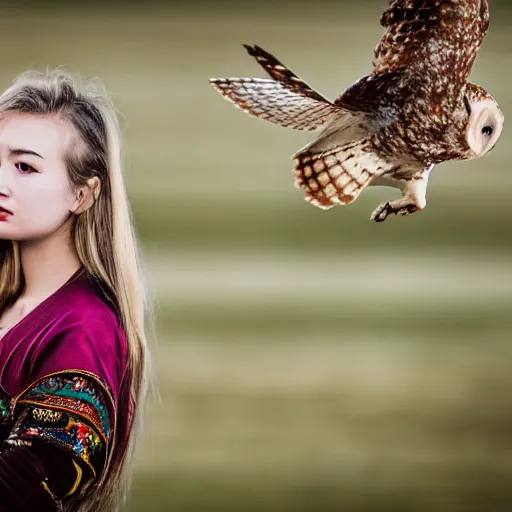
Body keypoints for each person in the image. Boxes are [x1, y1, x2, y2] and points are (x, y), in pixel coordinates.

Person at [0, 69, 152, 511]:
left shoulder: (86, 326)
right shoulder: (12, 302)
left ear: (82, 195)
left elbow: (37, 476)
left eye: (25, 167)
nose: (1, 182)